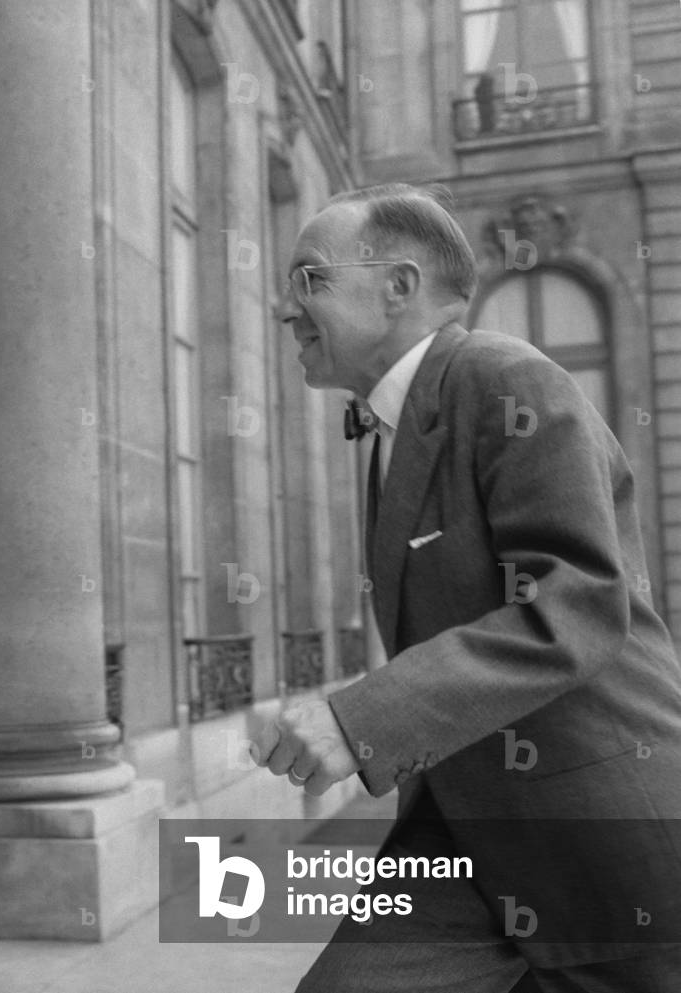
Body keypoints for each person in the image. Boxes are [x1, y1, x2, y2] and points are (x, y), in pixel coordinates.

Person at [253, 183, 681, 992]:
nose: (287, 309)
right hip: (464, 833)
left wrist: (362, 717)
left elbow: (578, 602)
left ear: (399, 286)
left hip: (597, 834)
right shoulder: (392, 421)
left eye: (309, 278)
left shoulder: (504, 377)